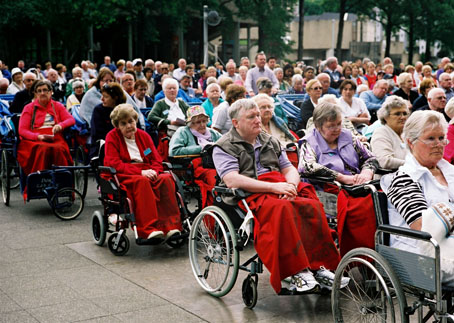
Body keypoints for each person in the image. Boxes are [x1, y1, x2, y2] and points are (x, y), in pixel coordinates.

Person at [212, 98, 345, 294]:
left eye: (258, 115)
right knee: (282, 209)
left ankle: (320, 266)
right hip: (249, 192)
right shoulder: (224, 145)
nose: (258, 120)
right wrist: (275, 189)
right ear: (235, 123)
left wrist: (290, 185)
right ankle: (294, 271)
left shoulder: (269, 140)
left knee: (311, 205)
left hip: (279, 185)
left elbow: (289, 168)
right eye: (251, 117)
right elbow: (232, 180)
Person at [381, 110, 454, 287]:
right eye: (430, 138)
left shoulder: (449, 171)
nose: (439, 144)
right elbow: (425, 229)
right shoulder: (403, 179)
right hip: (421, 254)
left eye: (441, 137)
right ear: (410, 142)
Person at [298, 102, 378, 256]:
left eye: (339, 124)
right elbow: (306, 166)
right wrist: (341, 177)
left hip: (357, 185)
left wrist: (367, 173)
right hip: (328, 190)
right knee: (363, 208)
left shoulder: (348, 136)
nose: (337, 129)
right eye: (331, 126)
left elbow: (371, 158)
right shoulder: (310, 142)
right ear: (319, 126)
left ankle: (371, 252)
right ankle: (357, 253)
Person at [104, 104, 182, 241]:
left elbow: (156, 158)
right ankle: (148, 229)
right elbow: (114, 163)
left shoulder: (144, 136)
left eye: (131, 121)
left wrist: (155, 171)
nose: (129, 126)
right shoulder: (112, 137)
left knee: (166, 179)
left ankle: (170, 226)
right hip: (126, 174)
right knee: (142, 182)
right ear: (117, 126)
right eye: (123, 123)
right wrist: (141, 172)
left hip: (149, 170)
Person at [17, 80, 75, 177]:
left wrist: (60, 125)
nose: (42, 93)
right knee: (43, 150)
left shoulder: (58, 106)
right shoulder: (29, 108)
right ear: (35, 93)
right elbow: (22, 130)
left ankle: (62, 181)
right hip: (35, 139)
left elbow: (71, 120)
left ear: (50, 92)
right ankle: (40, 180)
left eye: (45, 90)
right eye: (39, 91)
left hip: (54, 136)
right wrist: (37, 136)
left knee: (59, 150)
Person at [169, 105, 221, 207]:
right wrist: (201, 148)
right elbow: (174, 151)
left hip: (216, 163)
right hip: (195, 168)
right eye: (198, 122)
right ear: (190, 123)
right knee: (215, 178)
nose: (202, 125)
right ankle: (217, 204)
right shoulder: (183, 132)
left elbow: (226, 143)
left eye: (204, 121)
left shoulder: (212, 133)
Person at [148, 78, 189, 160]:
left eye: (174, 88)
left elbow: (190, 113)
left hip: (185, 128)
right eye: (169, 88)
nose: (172, 90)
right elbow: (151, 117)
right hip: (168, 131)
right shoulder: (160, 103)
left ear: (177, 91)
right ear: (164, 91)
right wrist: (170, 122)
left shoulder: (181, 103)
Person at [371, 95, 409, 170]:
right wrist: (414, 165)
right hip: (390, 177)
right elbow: (385, 161)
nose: (403, 117)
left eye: (405, 113)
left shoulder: (406, 133)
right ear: (385, 117)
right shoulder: (381, 133)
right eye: (397, 114)